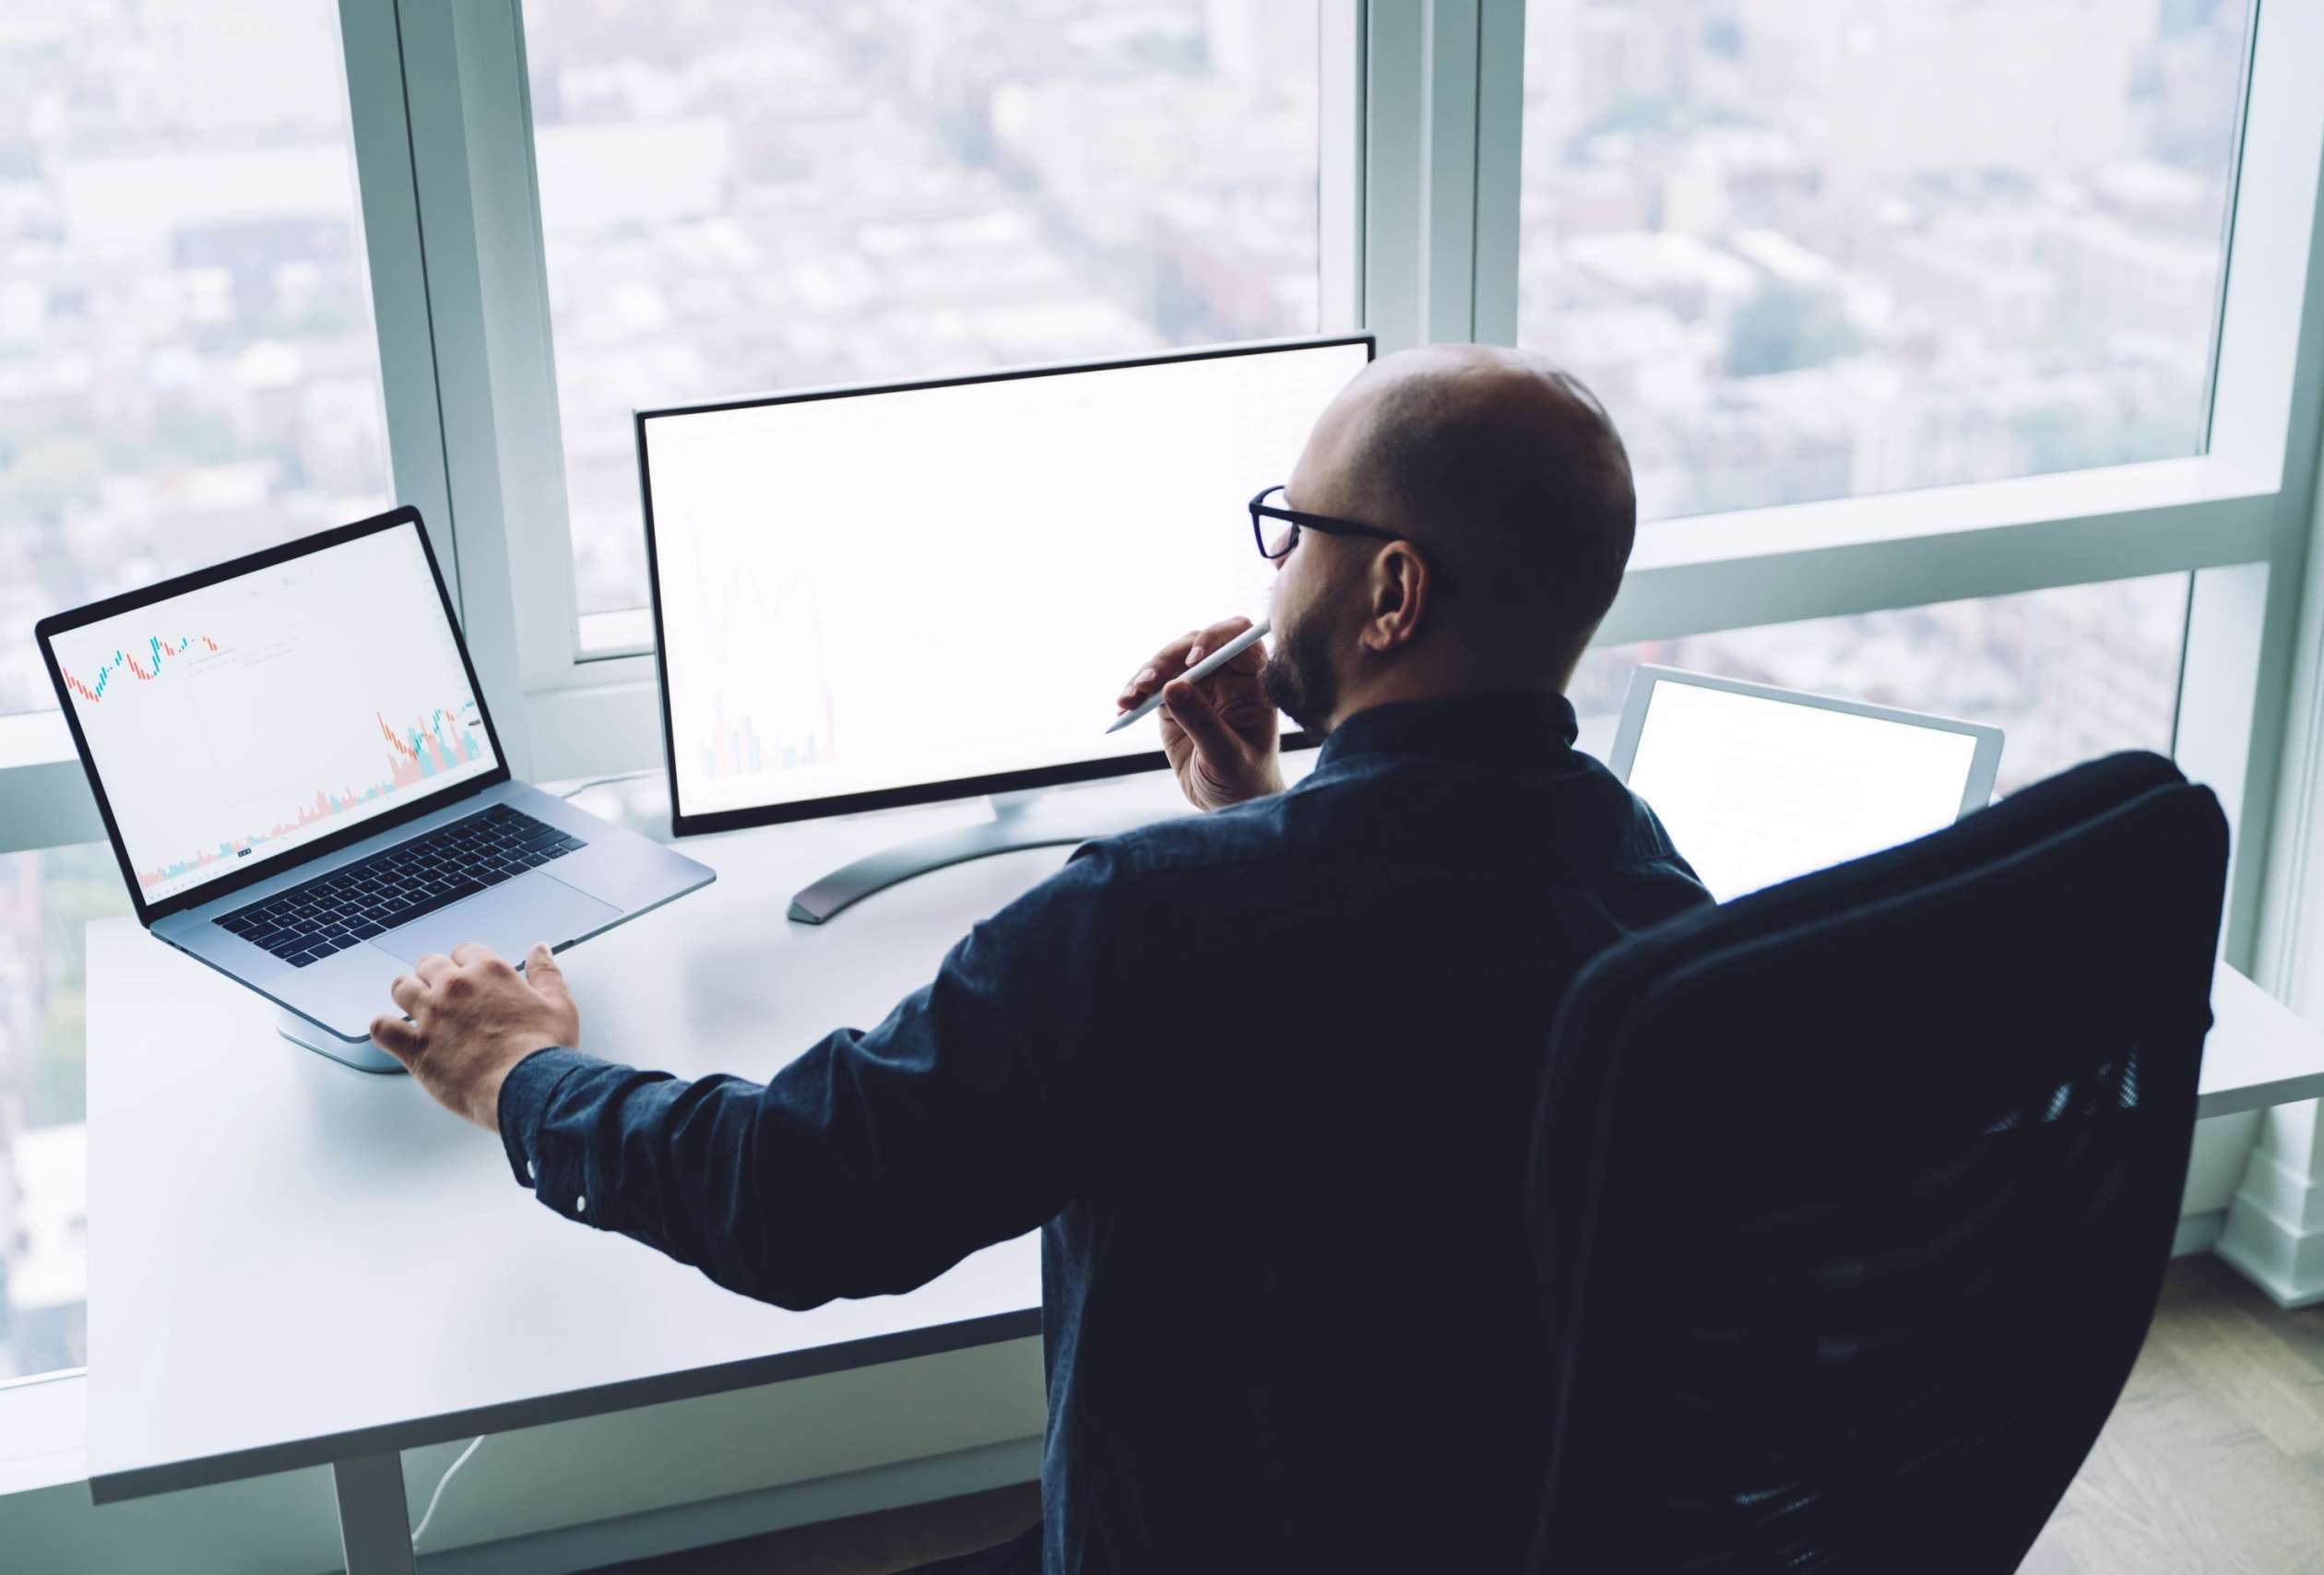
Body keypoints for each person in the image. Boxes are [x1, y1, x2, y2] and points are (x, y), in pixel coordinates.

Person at [369, 344, 1710, 1573]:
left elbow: (800, 1193)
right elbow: (1406, 1010)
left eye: (1293, 534)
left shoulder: (1147, 918)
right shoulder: (1652, 895)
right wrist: (1266, 815)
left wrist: (519, 1073)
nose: (1270, 574)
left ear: (1393, 593)